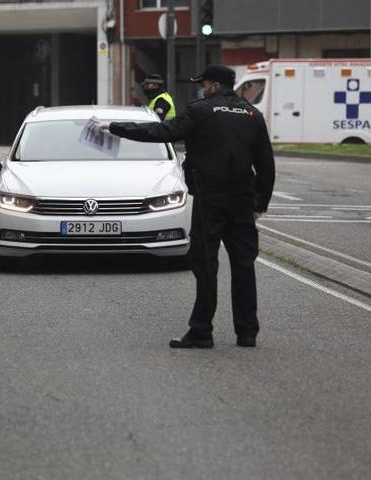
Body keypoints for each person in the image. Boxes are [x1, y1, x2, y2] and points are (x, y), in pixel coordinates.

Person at [106, 65, 275, 349]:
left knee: (206, 265)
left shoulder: (200, 111)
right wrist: (261, 203)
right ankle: (247, 332)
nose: (202, 88)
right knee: (244, 265)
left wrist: (116, 128)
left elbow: (162, 132)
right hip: (242, 201)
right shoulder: (252, 115)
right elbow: (266, 165)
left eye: (204, 84)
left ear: (213, 85)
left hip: (210, 199)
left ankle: (201, 331)